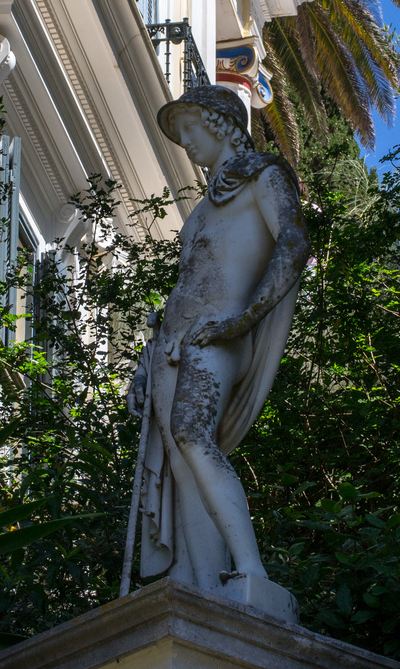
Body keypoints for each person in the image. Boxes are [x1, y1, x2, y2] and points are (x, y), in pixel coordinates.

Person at [128, 84, 309, 620]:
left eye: (191, 129)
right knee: (182, 463)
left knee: (192, 435)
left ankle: (251, 571)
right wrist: (146, 359)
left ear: (224, 124)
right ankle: (199, 582)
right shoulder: (201, 210)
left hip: (217, 334)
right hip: (173, 340)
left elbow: (294, 244)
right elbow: (185, 284)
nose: (185, 143)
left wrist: (242, 319)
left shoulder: (265, 177)